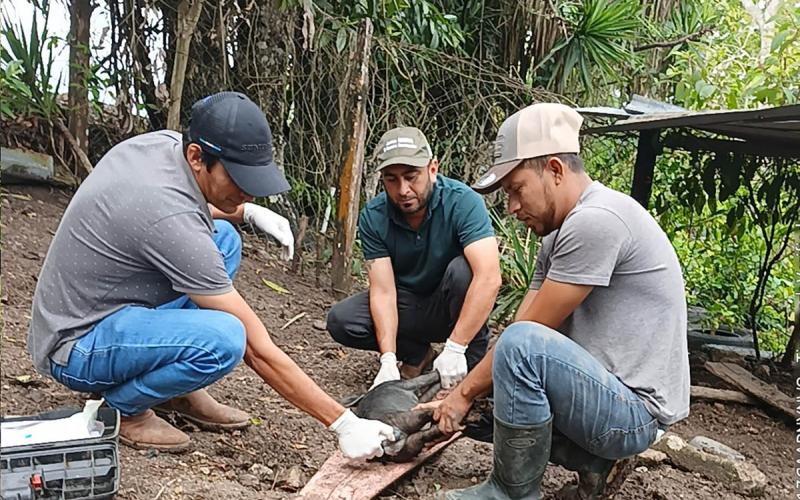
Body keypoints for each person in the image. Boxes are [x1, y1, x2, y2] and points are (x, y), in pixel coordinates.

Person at [28, 92, 395, 458]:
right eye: (238, 179)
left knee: (224, 241)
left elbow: (181, 207)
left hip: (99, 305)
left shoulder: (164, 146)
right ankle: (124, 409)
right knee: (226, 339)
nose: (248, 190)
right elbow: (256, 348)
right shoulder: (169, 218)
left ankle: (173, 388)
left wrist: (244, 212)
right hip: (75, 346)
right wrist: (342, 423)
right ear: (197, 156)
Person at [434, 103, 690, 499]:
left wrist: (464, 393)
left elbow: (527, 337)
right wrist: (471, 390)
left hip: (634, 414)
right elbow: (524, 325)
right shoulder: (558, 233)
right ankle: (592, 461)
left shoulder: (597, 220)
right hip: (605, 393)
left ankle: (511, 492)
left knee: (517, 351)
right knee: (506, 370)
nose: (513, 208)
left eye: (516, 190)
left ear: (555, 170)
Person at [326, 127, 501, 390]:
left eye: (411, 177)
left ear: (432, 169)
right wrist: (388, 359)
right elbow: (383, 292)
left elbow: (489, 277)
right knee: (343, 320)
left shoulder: (463, 202)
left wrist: (455, 348)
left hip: (453, 305)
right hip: (409, 305)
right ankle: (418, 354)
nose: (403, 190)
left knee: (465, 272)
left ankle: (469, 359)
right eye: (391, 180)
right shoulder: (374, 217)